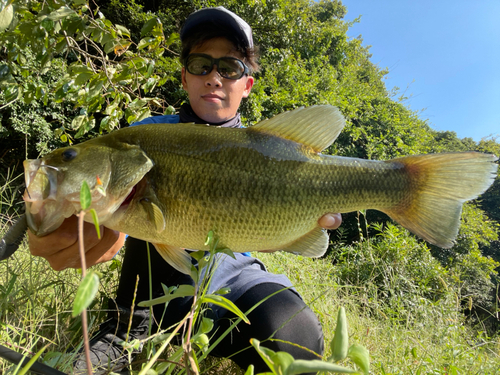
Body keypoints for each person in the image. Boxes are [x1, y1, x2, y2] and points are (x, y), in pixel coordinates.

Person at [28, 7, 342, 374]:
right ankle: (125, 331)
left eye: (230, 68)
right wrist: (64, 226)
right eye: (200, 65)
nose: (214, 77)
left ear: (247, 85)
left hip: (235, 283)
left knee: (295, 334)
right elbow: (107, 231)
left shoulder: (272, 148)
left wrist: (291, 230)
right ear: (184, 76)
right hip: (153, 290)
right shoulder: (145, 136)